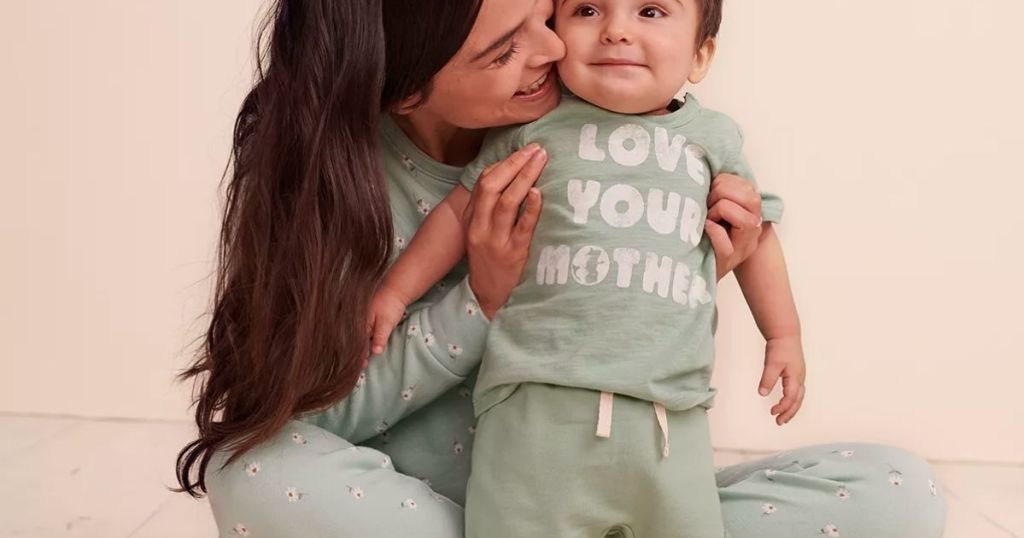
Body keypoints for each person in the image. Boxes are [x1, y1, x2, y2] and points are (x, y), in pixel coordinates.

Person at [175, 1, 947, 536]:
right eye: (505, 48)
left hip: (627, 475)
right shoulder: (346, 189)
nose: (554, 49)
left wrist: (702, 261)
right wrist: (479, 301)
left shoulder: (635, 137)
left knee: (900, 494)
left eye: (545, 17)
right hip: (454, 511)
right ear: (409, 88)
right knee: (256, 473)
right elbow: (319, 419)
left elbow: (617, 310)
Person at [364, 0, 803, 535]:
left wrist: (782, 335)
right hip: (536, 404)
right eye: (589, 9)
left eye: (651, 11)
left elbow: (757, 237)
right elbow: (460, 212)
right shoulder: (533, 128)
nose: (617, 31)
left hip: (670, 415)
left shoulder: (714, 139)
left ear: (701, 55)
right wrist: (395, 292)